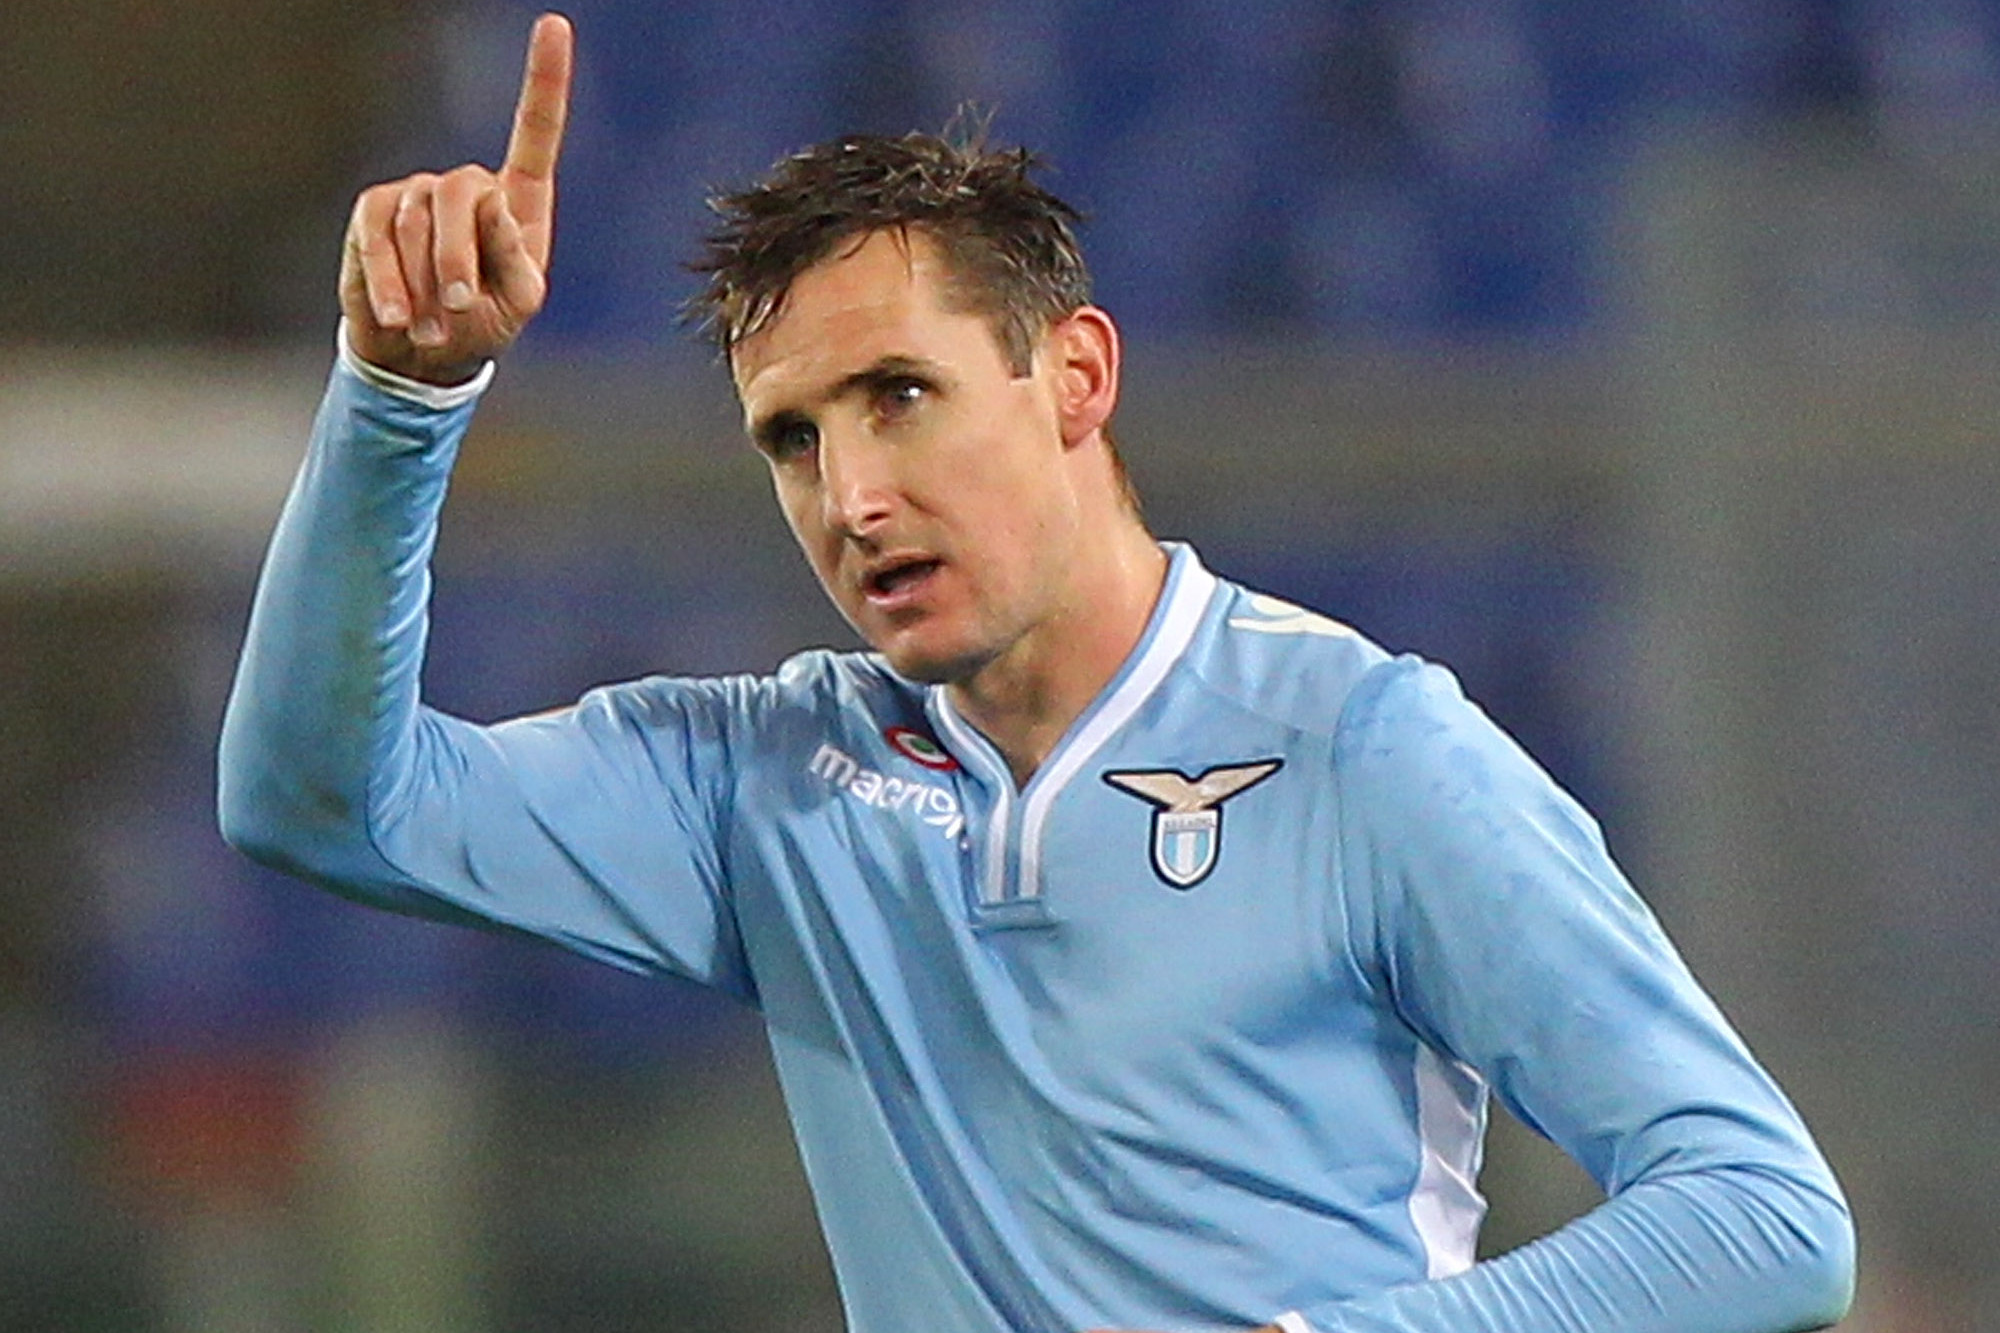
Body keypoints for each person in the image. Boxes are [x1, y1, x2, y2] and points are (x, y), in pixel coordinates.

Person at [218, 13, 1854, 1332]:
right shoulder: (761, 784)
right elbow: (320, 804)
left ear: (1074, 376)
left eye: (901, 396)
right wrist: (396, 401)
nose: (851, 496)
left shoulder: (1364, 747)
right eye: (793, 436)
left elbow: (1764, 1215)